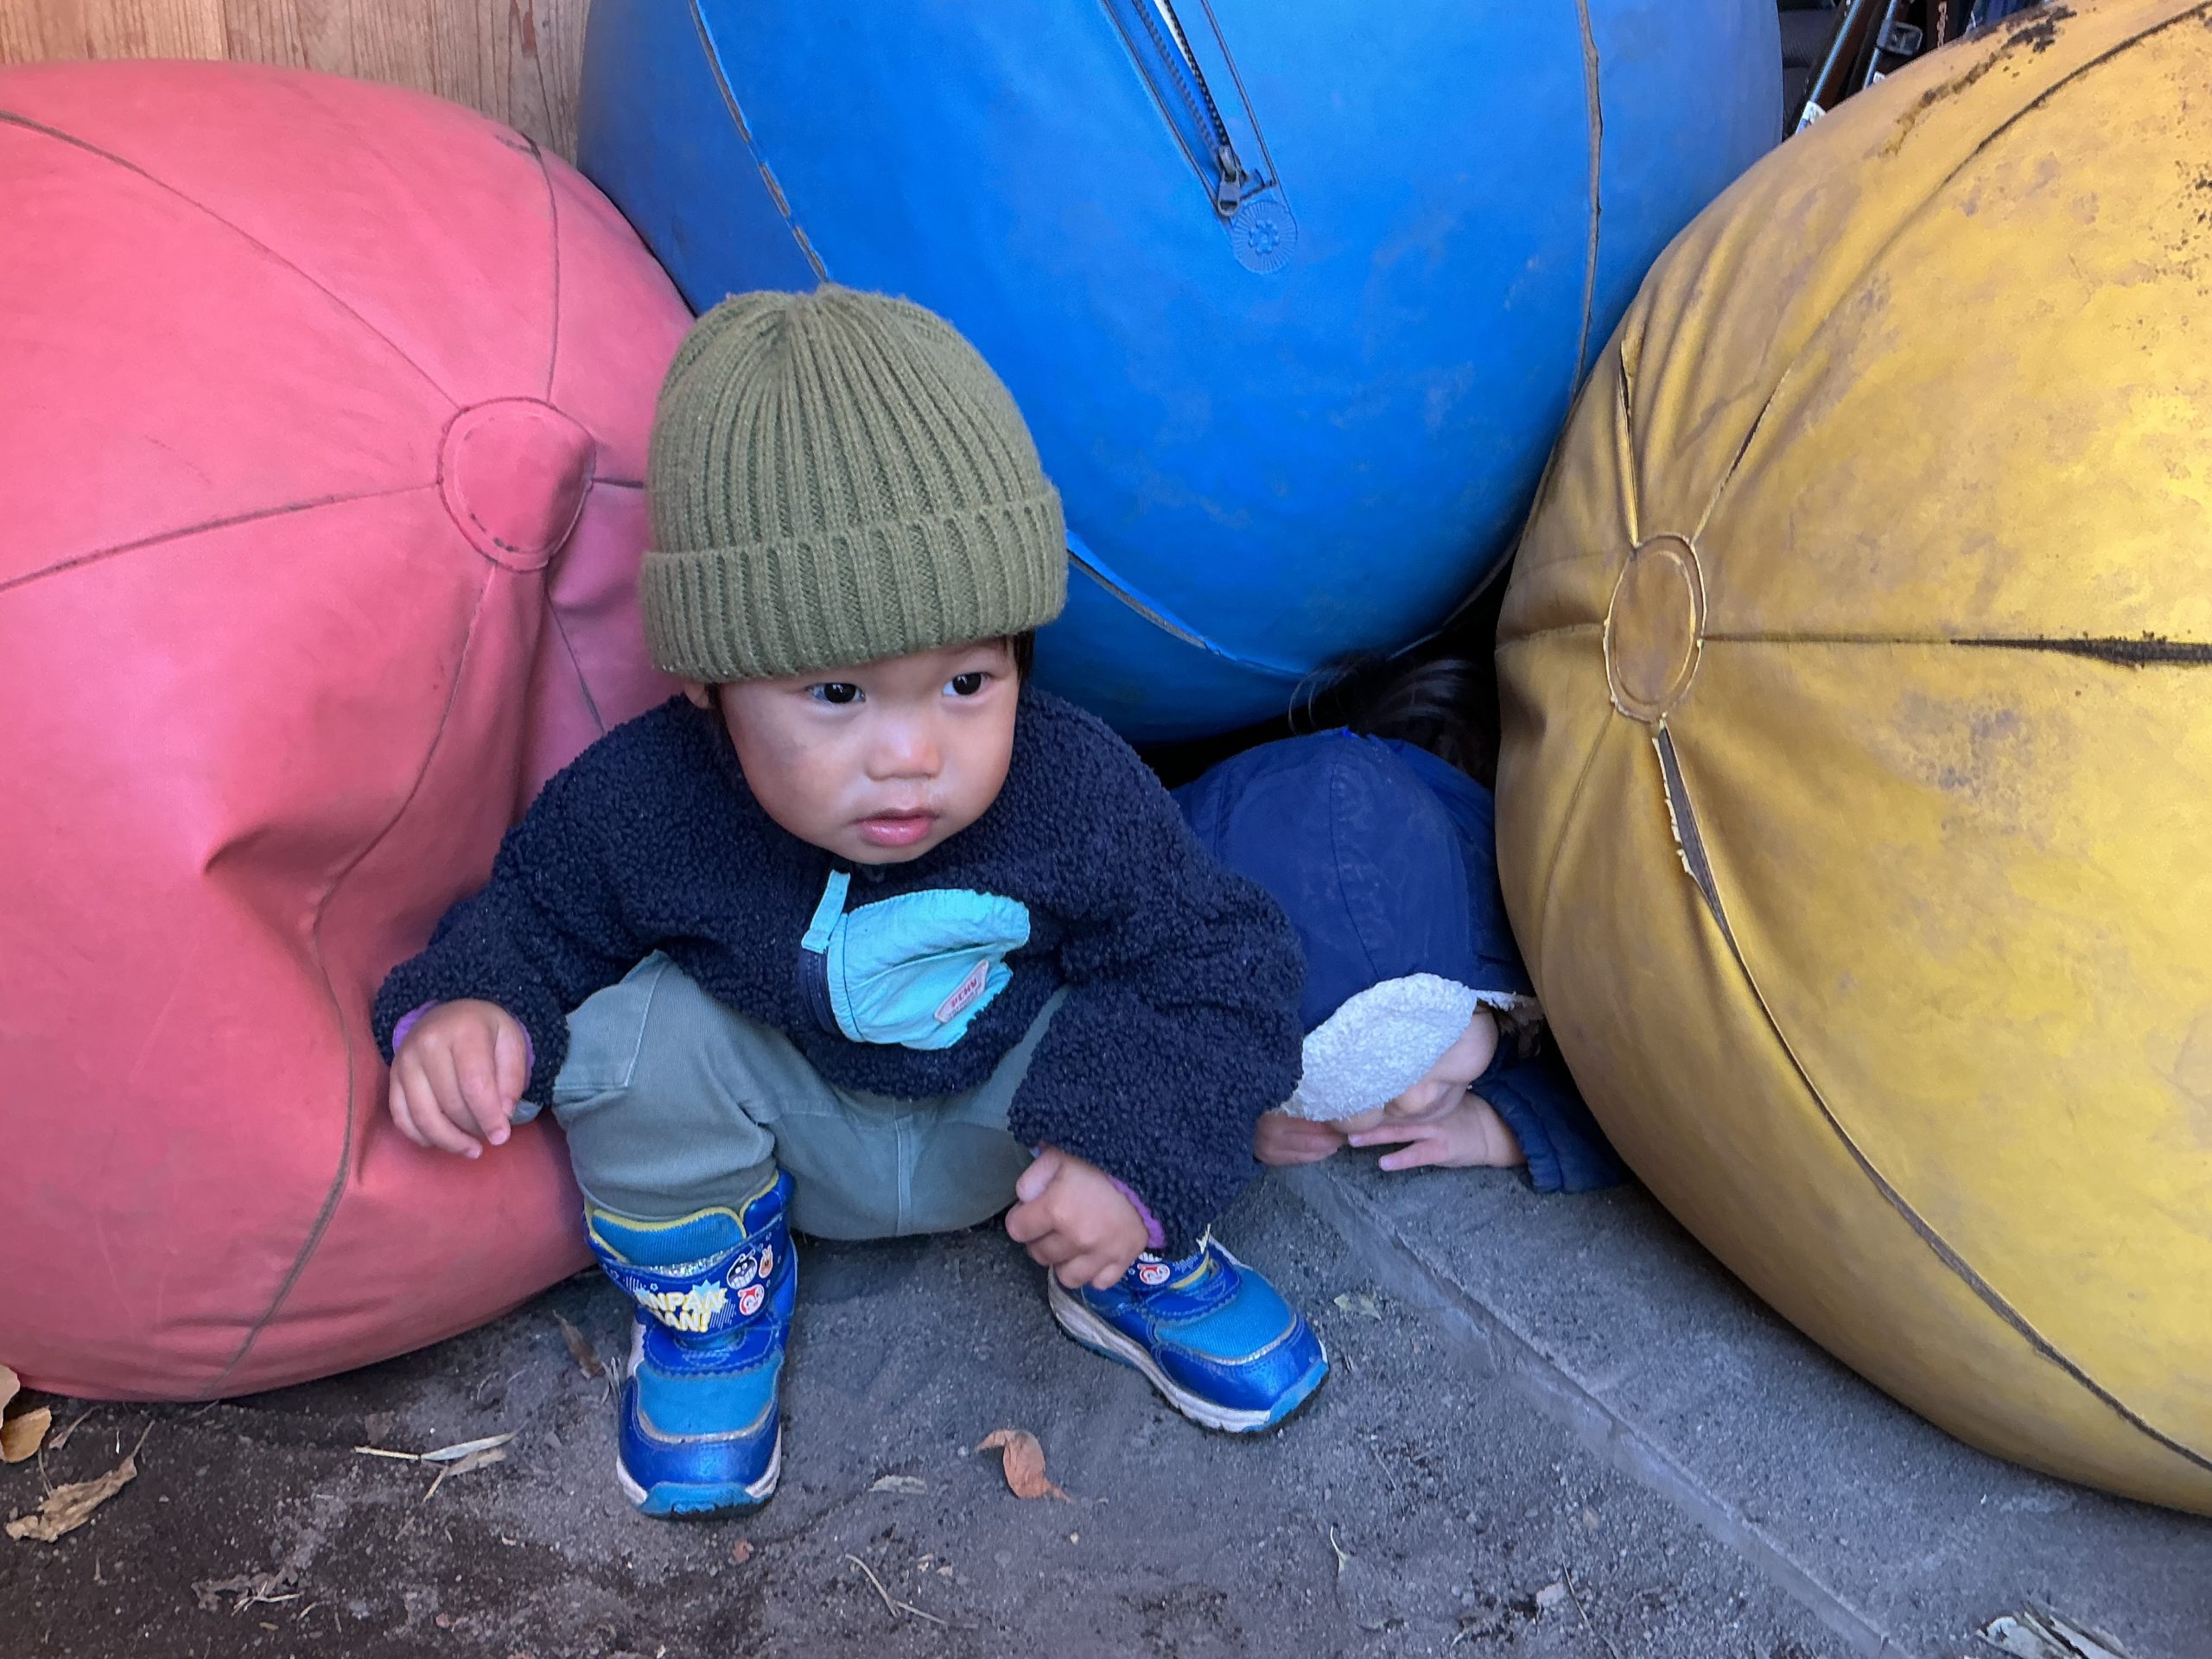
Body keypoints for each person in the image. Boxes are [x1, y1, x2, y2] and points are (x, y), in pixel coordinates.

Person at [372, 288, 1325, 1518]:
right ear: (710, 681)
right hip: (783, 1136)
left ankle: (1127, 1253)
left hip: (1019, 1141)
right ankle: (711, 1305)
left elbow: (1218, 958)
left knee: (1137, 982)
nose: (912, 756)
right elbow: (538, 912)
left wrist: (1129, 1159)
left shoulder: (1072, 786)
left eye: (966, 681)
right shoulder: (648, 800)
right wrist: (470, 1008)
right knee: (624, 1033)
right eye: (838, 695)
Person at [1173, 660, 1624, 1193]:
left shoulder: (1519, 912)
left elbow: (1649, 1098)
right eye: (1370, 1089)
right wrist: (1246, 1117)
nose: (1414, 1100)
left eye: (1434, 1044)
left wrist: (1499, 1128)